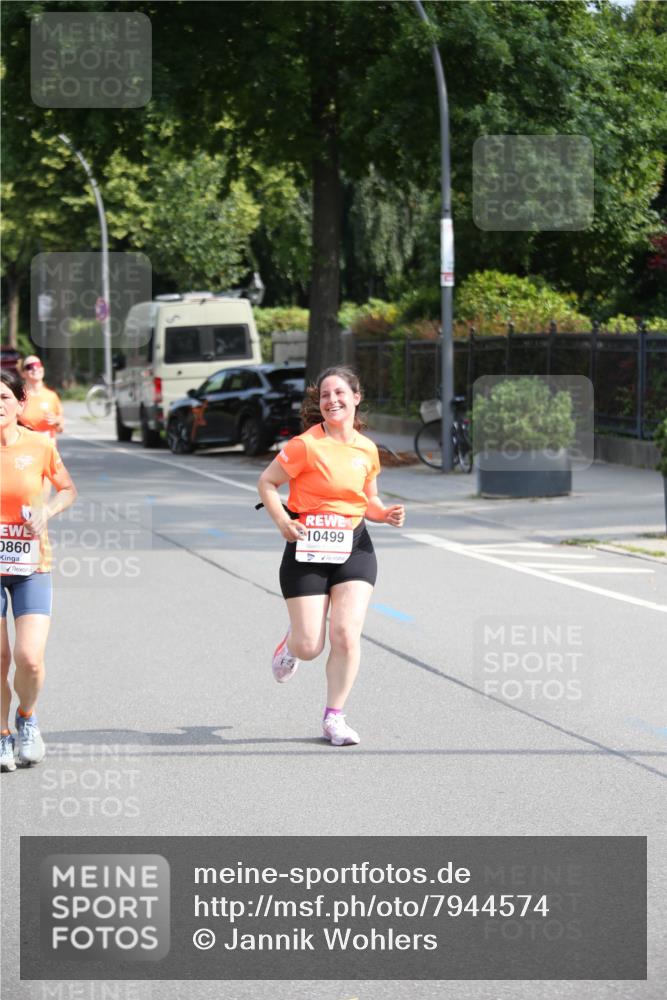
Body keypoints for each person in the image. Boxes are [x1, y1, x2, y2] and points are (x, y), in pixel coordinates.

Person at [257, 366, 405, 746]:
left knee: (345, 633)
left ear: (356, 397)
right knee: (310, 646)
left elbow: (368, 500)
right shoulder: (305, 445)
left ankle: (334, 718)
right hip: (306, 548)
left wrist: (384, 513)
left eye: (339, 393)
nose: (332, 400)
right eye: (325, 395)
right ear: (318, 403)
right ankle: (292, 643)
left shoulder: (367, 449)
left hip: (354, 547)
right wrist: (281, 522)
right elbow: (268, 482)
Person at [1, 369, 77, 772]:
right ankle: (1, 734)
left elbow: (67, 489)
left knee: (29, 658)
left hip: (31, 564)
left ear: (20, 403)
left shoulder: (39, 445)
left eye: (3, 398)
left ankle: (26, 718)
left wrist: (45, 513)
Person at [18, 355, 64, 439]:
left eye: (37, 365)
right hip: (26, 446)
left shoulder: (52, 396)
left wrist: (56, 421)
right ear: (23, 373)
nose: (35, 368)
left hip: (47, 447)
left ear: (42, 369)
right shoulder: (18, 396)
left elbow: (60, 428)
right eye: (29, 367)